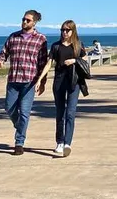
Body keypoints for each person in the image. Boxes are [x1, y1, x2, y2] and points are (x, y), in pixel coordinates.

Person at [0, 9, 48, 155]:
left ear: (34, 22)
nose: (24, 22)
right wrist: (0, 61)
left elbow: (43, 63)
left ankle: (19, 142)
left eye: (28, 20)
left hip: (29, 81)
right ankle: (20, 127)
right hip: (13, 79)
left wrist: (42, 82)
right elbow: (4, 52)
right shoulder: (13, 37)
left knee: (24, 113)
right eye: (23, 19)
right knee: (9, 108)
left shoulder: (41, 39)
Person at [37, 19, 86, 157]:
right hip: (59, 82)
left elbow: (85, 61)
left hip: (74, 82)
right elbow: (49, 63)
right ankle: (59, 141)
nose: (64, 32)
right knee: (60, 113)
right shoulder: (56, 46)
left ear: (73, 31)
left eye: (67, 30)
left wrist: (74, 60)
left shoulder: (78, 45)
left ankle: (67, 143)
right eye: (62, 30)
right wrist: (40, 79)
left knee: (70, 113)